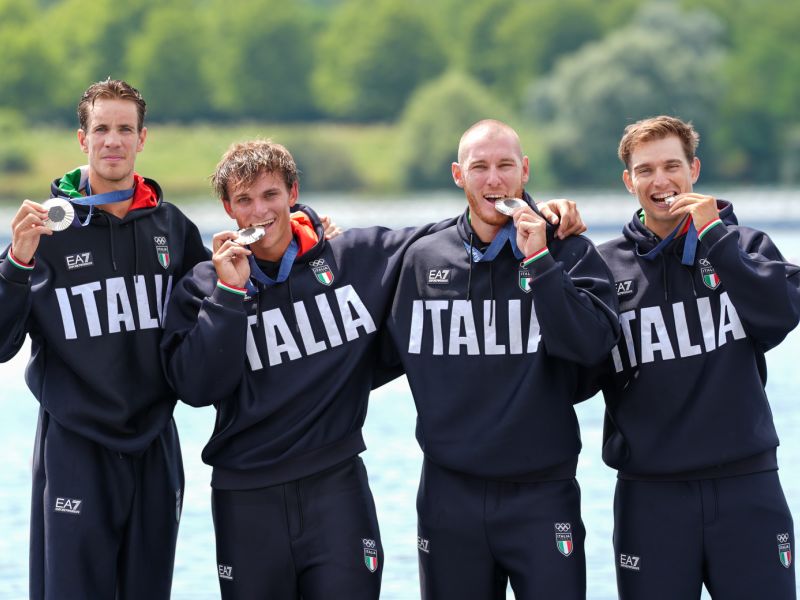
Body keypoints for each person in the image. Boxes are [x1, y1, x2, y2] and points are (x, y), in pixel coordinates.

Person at [159, 138, 584, 599]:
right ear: (227, 208)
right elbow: (195, 388)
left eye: (270, 195)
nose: (259, 212)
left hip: (337, 489)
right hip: (246, 495)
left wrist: (541, 211)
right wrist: (229, 296)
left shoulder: (353, 258)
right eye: (244, 200)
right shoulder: (205, 284)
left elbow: (460, 227)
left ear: (293, 193)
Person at [384, 119, 620, 599]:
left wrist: (540, 264)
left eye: (505, 166)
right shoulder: (423, 258)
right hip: (449, 495)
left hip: (542, 493)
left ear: (525, 171)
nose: (493, 180)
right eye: (480, 167)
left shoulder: (568, 249)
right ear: (458, 175)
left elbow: (594, 347)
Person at [0, 79, 209, 599]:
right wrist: (15, 262)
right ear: (82, 139)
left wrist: (312, 236)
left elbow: (224, 296)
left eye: (124, 129)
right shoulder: (43, 233)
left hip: (155, 442)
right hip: (76, 444)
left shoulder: (172, 227)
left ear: (142, 139)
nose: (112, 140)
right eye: (101, 129)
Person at [593, 115, 799, 599]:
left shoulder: (744, 246)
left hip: (747, 487)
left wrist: (716, 239)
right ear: (628, 181)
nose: (660, 181)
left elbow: (782, 313)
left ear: (694, 170)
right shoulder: (602, 267)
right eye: (645, 170)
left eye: (671, 166)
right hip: (650, 495)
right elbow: (573, 362)